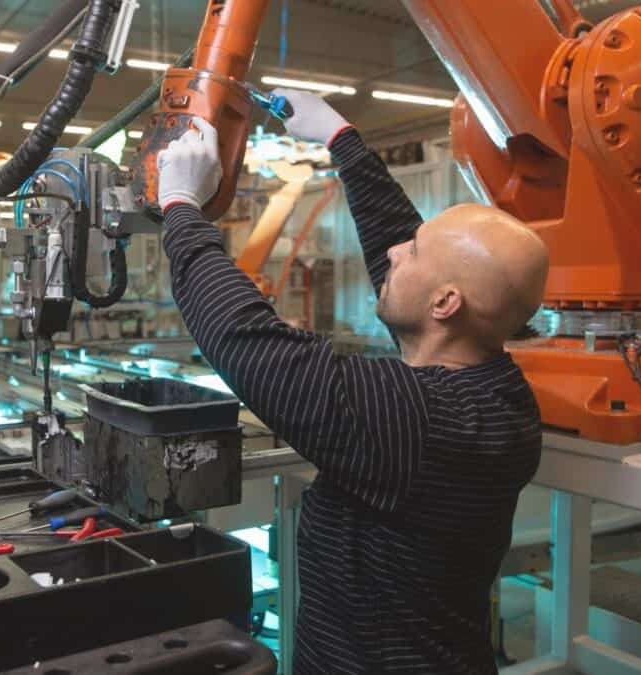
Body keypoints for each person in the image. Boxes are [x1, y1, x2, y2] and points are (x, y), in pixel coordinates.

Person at [156, 88, 549, 674]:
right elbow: (413, 258)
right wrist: (341, 139)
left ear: (444, 304)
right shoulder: (493, 390)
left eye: (411, 252)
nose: (394, 252)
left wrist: (181, 207)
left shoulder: (419, 423)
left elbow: (249, 343)